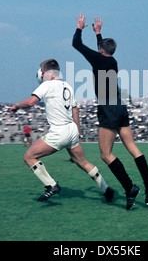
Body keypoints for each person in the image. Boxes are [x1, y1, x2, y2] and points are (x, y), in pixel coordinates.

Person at [72, 14, 148, 210]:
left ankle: (129, 188)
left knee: (105, 154)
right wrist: (99, 33)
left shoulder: (97, 59)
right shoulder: (113, 61)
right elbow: (102, 50)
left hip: (108, 109)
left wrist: (79, 28)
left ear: (100, 50)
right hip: (120, 106)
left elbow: (77, 44)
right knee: (133, 148)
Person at [10, 59, 114, 203]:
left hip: (59, 132)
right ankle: (106, 189)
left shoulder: (47, 85)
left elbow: (31, 102)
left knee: (29, 157)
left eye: (42, 72)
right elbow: (75, 110)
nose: (41, 75)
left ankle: (51, 185)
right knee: (82, 162)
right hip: (71, 129)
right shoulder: (68, 86)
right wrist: (77, 131)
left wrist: (16, 106)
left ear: (50, 73)